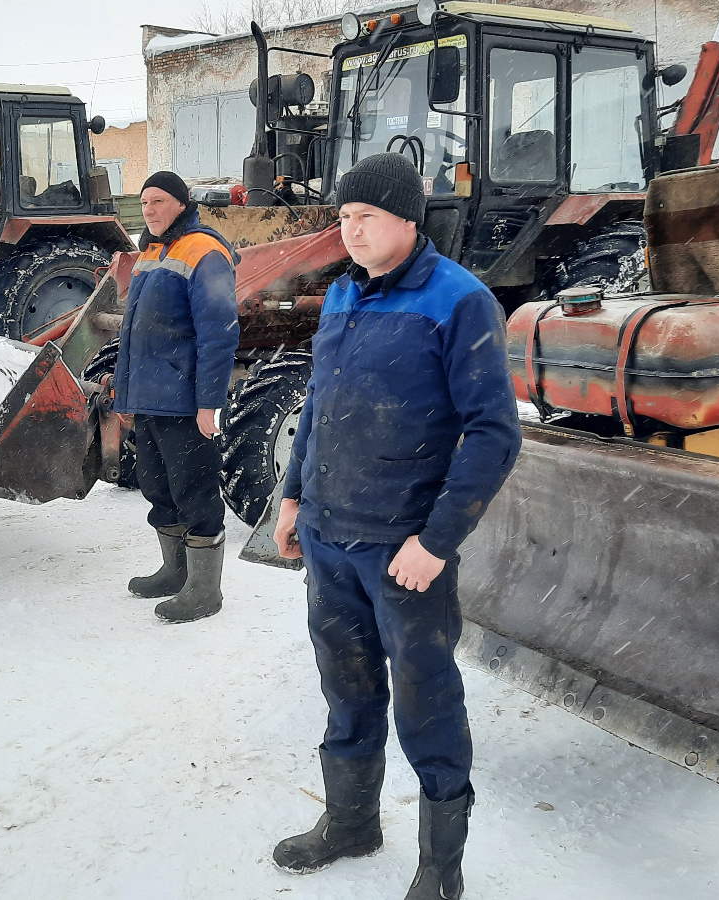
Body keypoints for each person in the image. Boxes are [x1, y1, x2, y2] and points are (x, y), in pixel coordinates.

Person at [270, 153, 522, 898]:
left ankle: (441, 868)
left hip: (401, 551)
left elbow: (492, 435)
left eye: (365, 217)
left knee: (426, 702)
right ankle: (351, 824)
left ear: (407, 220)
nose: (349, 231)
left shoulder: (459, 300)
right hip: (328, 538)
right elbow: (317, 406)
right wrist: (291, 498)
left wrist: (435, 542)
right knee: (346, 692)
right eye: (343, 218)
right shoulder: (345, 296)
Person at [111, 172, 240, 624]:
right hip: (148, 398)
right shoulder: (150, 252)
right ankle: (174, 571)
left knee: (194, 491)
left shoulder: (205, 251)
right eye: (145, 202)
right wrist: (124, 394)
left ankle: (204, 591)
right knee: (158, 488)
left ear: (183, 203)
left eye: (159, 201)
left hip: (184, 401)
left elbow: (219, 334)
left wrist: (209, 404)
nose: (149, 209)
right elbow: (133, 333)